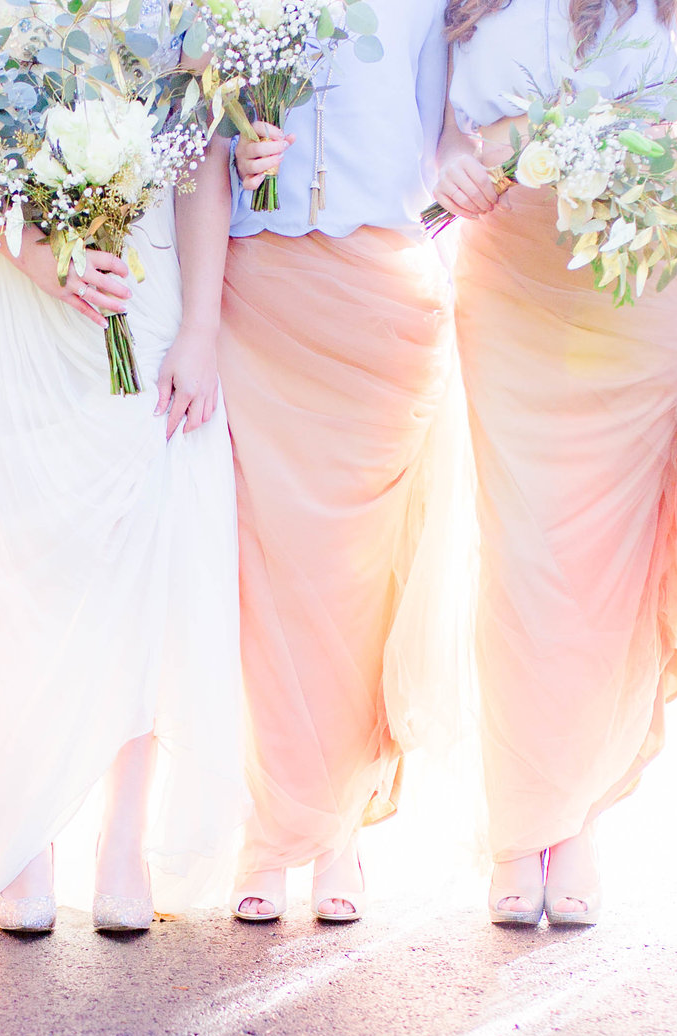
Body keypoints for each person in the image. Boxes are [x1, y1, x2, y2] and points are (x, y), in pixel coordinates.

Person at [0, 0, 249, 933]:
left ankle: (122, 841)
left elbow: (204, 142)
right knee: (15, 563)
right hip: (2, 280)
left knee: (145, 542)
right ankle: (23, 829)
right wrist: (31, 248)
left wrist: (205, 328)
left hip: (142, 283)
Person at [430, 0, 677, 927]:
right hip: (513, 271)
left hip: (639, 279)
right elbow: (424, 124)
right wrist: (450, 164)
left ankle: (574, 815)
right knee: (525, 554)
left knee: (606, 555)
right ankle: (519, 827)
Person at [221, 0, 452, 925]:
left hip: (377, 289)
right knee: (267, 572)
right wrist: (242, 158)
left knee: (359, 578)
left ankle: (338, 827)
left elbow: (438, 144)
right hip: (260, 283)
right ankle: (270, 824)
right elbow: (192, 124)